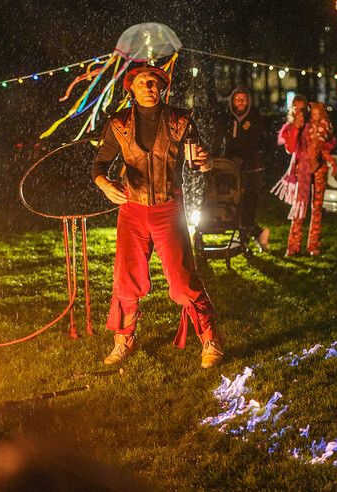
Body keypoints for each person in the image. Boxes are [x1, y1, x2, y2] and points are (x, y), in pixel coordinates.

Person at [92, 64, 224, 368]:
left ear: (161, 88)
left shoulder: (181, 120)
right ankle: (123, 341)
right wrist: (104, 184)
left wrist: (205, 163)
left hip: (168, 209)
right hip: (132, 212)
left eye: (154, 83)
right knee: (126, 280)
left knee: (181, 281)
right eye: (142, 83)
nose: (149, 87)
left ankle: (210, 340)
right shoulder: (118, 122)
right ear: (132, 89)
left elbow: (199, 161)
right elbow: (99, 165)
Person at [273, 95, 336, 257]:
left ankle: (313, 245)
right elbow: (291, 148)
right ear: (292, 109)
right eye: (297, 108)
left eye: (303, 108)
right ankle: (293, 247)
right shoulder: (290, 127)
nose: (300, 111)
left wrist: (321, 146)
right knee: (299, 208)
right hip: (302, 171)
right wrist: (296, 128)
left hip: (319, 168)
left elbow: (330, 140)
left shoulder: (315, 123)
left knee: (317, 209)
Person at [210, 85, 270, 250]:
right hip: (232, 166)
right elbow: (218, 137)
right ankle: (252, 235)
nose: (240, 102)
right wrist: (214, 158)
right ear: (232, 101)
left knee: (249, 202)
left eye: (243, 99)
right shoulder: (227, 118)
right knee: (235, 202)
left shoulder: (255, 118)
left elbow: (255, 142)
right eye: (237, 99)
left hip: (252, 167)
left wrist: (243, 158)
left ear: (248, 101)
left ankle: (250, 236)